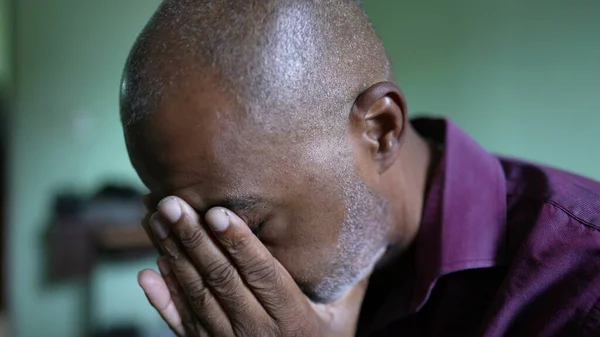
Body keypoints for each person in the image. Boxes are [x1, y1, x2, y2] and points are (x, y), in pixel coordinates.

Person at [119, 0, 600, 336]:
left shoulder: (580, 283)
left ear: (380, 130)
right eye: (185, 229)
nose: (219, 269)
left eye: (247, 226)